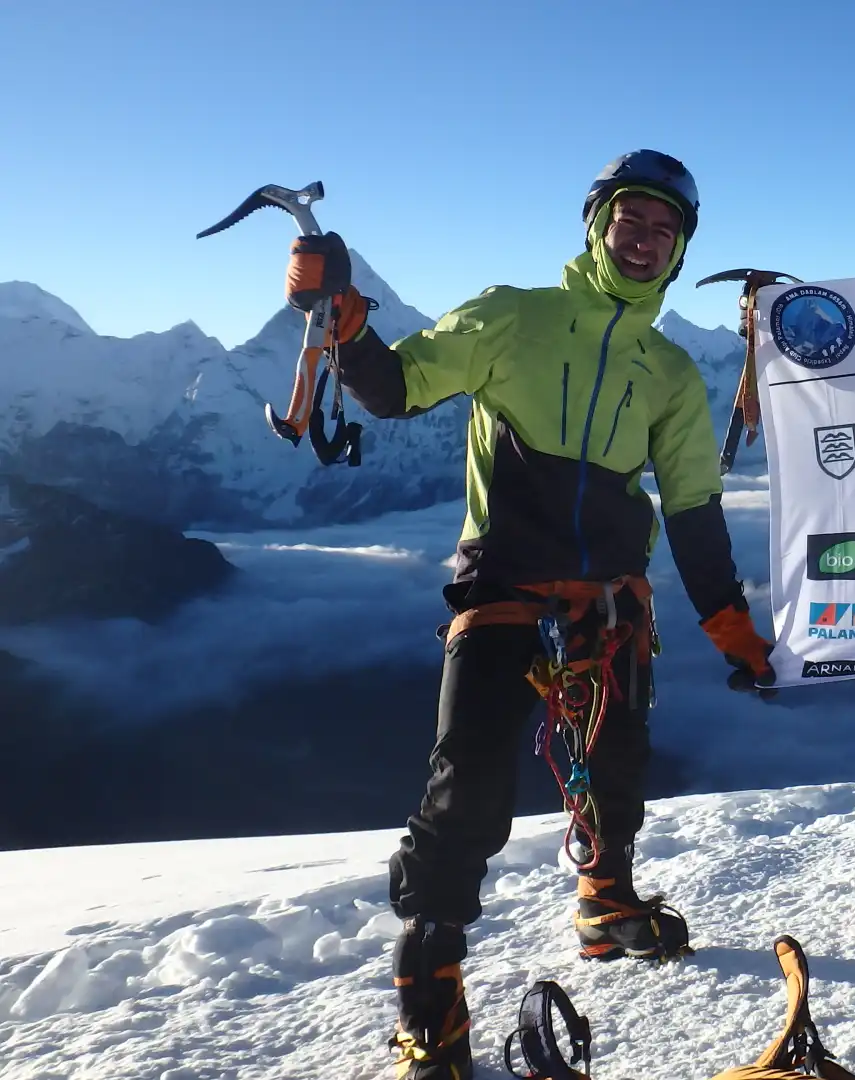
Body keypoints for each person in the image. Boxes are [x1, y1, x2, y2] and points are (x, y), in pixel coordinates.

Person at [282, 149, 778, 1079]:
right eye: (631, 219)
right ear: (598, 224)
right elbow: (395, 390)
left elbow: (694, 508)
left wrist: (730, 626)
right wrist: (341, 321)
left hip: (610, 592)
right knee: (465, 779)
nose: (644, 239)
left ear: (680, 250)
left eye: (664, 229)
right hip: (503, 574)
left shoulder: (669, 371)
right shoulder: (513, 315)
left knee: (616, 758)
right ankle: (430, 995)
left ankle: (605, 900)